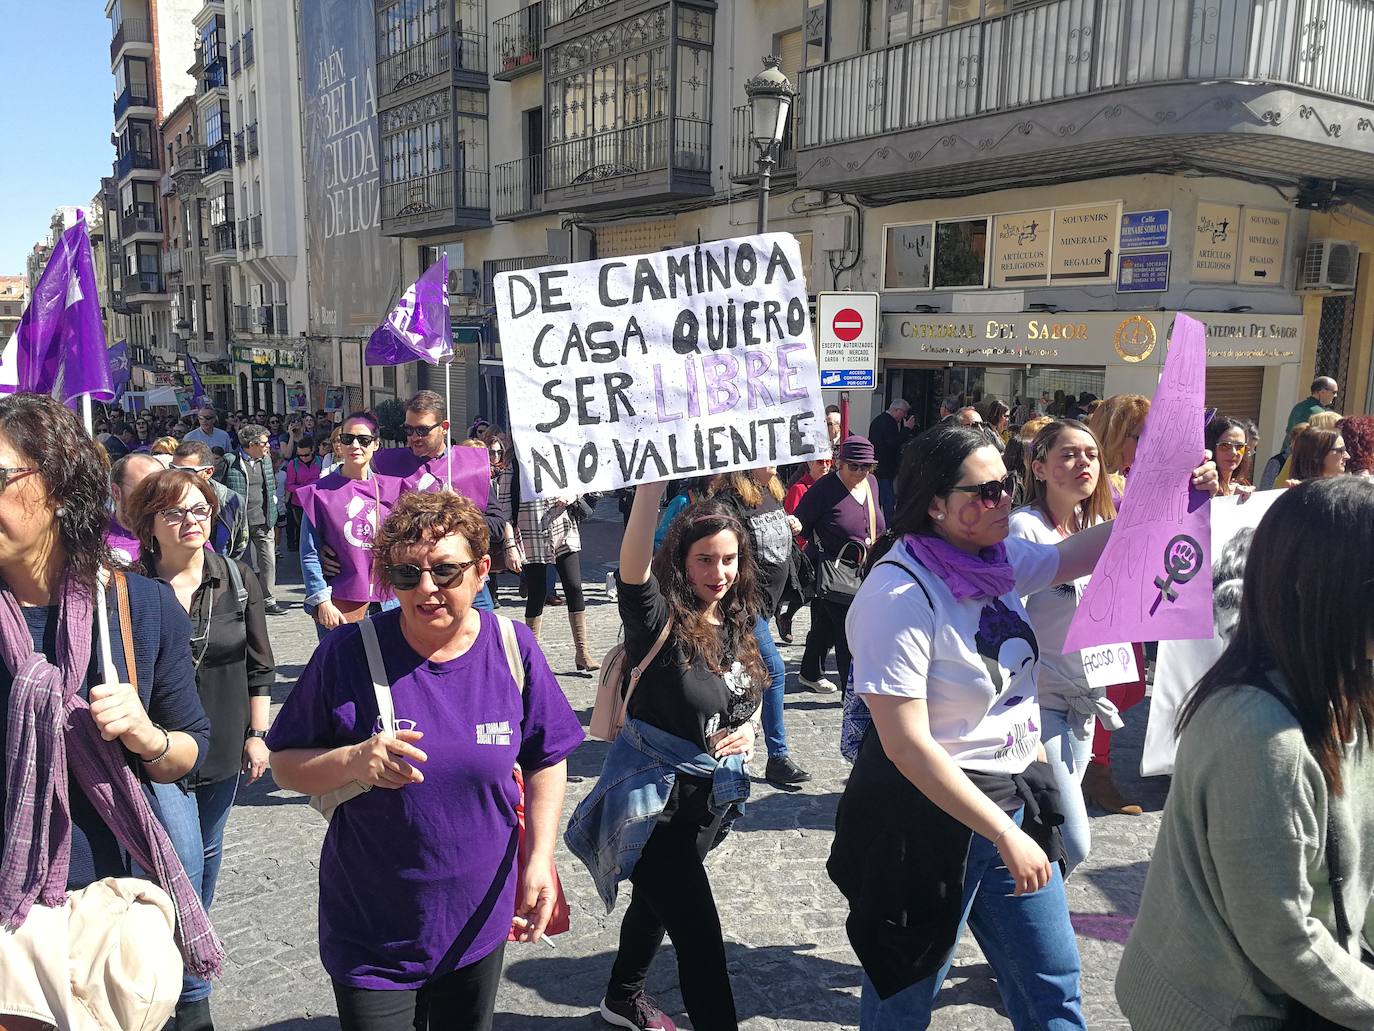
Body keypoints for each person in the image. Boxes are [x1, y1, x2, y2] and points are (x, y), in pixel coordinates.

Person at [831, 424, 1216, 1029]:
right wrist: (1003, 836)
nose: (1004, 501)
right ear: (935, 503)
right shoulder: (898, 592)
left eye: (1006, 486)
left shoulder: (997, 559)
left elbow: (1072, 555)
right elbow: (904, 744)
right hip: (925, 820)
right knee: (904, 996)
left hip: (1011, 800)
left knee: (1053, 984)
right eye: (985, 492)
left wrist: (1166, 501)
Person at [267, 491, 583, 1031]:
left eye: (445, 571)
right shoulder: (346, 654)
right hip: (373, 929)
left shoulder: (513, 647)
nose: (428, 588)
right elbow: (284, 766)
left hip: (477, 919)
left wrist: (538, 859)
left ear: (482, 571)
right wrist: (352, 760)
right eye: (408, 574)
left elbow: (546, 756)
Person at [1117, 477, 1374, 1030]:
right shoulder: (1260, 738)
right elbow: (1282, 937)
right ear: (1329, 591)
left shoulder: (1346, 685)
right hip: (1227, 1007)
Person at [0, 394, 220, 1031]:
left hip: (103, 902)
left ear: (63, 492)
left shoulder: (139, 607)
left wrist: (146, 735)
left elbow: (190, 753)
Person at [566, 481, 763, 1031]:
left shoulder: (736, 619)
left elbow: (739, 696)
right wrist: (651, 483)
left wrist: (744, 731)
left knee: (653, 909)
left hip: (704, 808)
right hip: (652, 810)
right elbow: (633, 567)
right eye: (705, 559)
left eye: (728, 559)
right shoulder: (657, 617)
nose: (718, 572)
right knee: (701, 939)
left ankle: (621, 996)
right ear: (680, 558)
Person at [128, 468, 275, 1030]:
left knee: (206, 858)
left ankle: (182, 966)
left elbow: (260, 665)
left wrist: (258, 736)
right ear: (149, 526)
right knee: (183, 866)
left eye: (200, 510)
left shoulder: (235, 578)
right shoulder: (128, 586)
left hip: (225, 745)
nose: (191, 522)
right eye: (175, 512)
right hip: (157, 754)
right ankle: (191, 997)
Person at [1008, 419, 1119, 873]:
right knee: (1073, 840)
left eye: (1092, 454)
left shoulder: (1100, 524)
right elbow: (1005, 622)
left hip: (1086, 702)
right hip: (1041, 705)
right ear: (1039, 467)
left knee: (1054, 835)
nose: (1084, 463)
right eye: (1069, 454)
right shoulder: (1026, 529)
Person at [708, 467, 812, 789]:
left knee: (734, 674)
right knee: (773, 670)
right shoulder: (731, 501)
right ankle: (777, 758)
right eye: (766, 455)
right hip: (744, 608)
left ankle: (717, 740)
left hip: (766, 607)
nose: (775, 462)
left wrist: (790, 524)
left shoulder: (772, 493)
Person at [1082, 393, 1154, 814]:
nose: (1145, 446)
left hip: (1127, 599)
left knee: (1126, 688)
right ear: (1118, 436)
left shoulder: (1128, 478)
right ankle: (1096, 770)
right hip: (1100, 602)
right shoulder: (1097, 483)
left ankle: (1094, 765)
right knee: (1108, 687)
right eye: (1139, 437)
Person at [793, 436, 886, 695]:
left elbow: (878, 520)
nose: (860, 472)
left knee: (825, 625)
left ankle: (810, 671)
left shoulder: (871, 484)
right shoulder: (824, 488)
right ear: (839, 464)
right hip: (834, 570)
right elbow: (802, 522)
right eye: (854, 466)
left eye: (865, 467)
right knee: (849, 632)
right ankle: (851, 693)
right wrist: (796, 525)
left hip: (864, 569)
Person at [296, 413, 400, 641]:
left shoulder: (392, 490)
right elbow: (309, 553)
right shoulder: (319, 493)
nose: (355, 445)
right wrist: (321, 600)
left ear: (375, 444)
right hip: (340, 601)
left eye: (363, 440)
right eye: (347, 438)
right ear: (339, 444)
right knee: (343, 670)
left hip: (388, 601)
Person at [511, 475, 597, 670]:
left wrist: (571, 495)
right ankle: (532, 658)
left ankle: (582, 653)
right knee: (537, 592)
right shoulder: (517, 462)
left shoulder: (555, 452)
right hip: (531, 532)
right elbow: (506, 505)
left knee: (574, 586)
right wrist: (510, 544)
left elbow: (582, 478)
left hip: (563, 530)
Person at [778, 456, 832, 643]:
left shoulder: (832, 487)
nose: (825, 465)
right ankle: (787, 616)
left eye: (828, 462)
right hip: (806, 552)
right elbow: (792, 524)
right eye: (820, 462)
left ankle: (813, 637)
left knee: (820, 598)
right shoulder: (799, 489)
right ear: (809, 464)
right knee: (807, 593)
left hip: (825, 552)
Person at [235, 424, 284, 615]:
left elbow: (270, 486)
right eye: (264, 443)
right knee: (236, 561)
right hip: (240, 522)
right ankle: (236, 599)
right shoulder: (232, 461)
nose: (268, 447)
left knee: (268, 561)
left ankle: (268, 600)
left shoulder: (266, 461)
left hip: (264, 519)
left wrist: (273, 510)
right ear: (252, 444)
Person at [171, 440, 249, 561]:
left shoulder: (231, 501)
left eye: (186, 471)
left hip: (219, 571)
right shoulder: (164, 501)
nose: (177, 476)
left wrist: (226, 568)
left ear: (208, 472)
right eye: (172, 469)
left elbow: (240, 544)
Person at [108, 452, 164, 566]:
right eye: (144, 491)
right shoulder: (93, 540)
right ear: (116, 492)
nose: (155, 499)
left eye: (162, 490)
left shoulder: (181, 530)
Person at [867, 399, 913, 522]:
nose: (904, 416)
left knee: (879, 499)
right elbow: (893, 442)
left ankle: (878, 524)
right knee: (888, 500)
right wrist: (907, 429)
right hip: (885, 468)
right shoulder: (888, 423)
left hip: (879, 466)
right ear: (897, 410)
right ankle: (889, 527)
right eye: (904, 412)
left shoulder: (879, 420)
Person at [283, 435, 320, 552]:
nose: (303, 458)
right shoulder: (293, 464)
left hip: (315, 503)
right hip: (298, 503)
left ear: (312, 450)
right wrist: (307, 487)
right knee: (301, 530)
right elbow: (289, 485)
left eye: (306, 455)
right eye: (300, 455)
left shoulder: (320, 461)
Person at [1204, 416, 1253, 497]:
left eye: (1240, 446)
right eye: (1225, 446)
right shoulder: (1203, 487)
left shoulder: (1244, 486)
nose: (1234, 452)